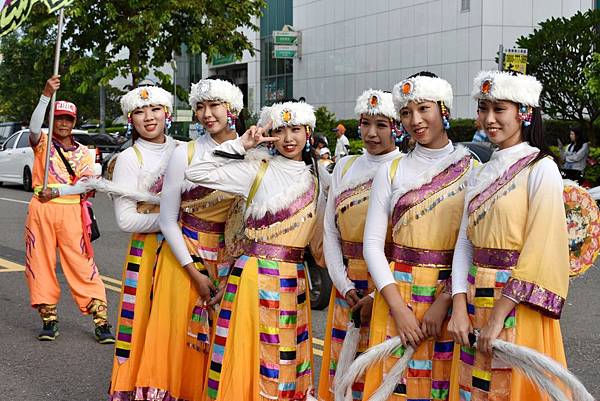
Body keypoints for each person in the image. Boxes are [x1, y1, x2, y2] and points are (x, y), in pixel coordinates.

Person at [447, 71, 570, 401]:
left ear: (523, 113)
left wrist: (499, 315)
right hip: (475, 299)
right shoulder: (481, 171)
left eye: (499, 109)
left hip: (516, 305)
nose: (489, 119)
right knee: (474, 389)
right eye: (483, 109)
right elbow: (465, 243)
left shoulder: (540, 168)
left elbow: (541, 248)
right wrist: (460, 305)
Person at [185, 100, 319, 401]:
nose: (288, 138)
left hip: (293, 280)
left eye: (295, 130)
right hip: (251, 279)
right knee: (248, 357)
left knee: (285, 362)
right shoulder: (255, 170)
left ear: (308, 132)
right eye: (279, 130)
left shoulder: (319, 178)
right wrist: (241, 145)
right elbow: (197, 172)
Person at [362, 72, 474, 400]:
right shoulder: (391, 170)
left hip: (450, 300)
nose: (416, 120)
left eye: (424, 109)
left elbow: (471, 245)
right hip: (396, 294)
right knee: (393, 386)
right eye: (407, 113)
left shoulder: (471, 169)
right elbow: (372, 246)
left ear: (444, 110)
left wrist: (447, 300)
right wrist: (398, 309)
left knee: (442, 386)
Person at [135, 77, 243, 401]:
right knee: (174, 342)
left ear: (232, 109)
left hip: (229, 262)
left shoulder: (253, 155)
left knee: (222, 346)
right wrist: (194, 271)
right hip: (183, 258)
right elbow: (168, 220)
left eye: (215, 106)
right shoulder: (186, 153)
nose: (207, 114)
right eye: (200, 107)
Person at [318, 89, 401, 401]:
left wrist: (373, 293)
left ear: (397, 127)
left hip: (386, 284)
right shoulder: (345, 166)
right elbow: (330, 230)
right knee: (343, 370)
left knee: (379, 370)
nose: (371, 133)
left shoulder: (402, 169)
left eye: (381, 125)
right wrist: (342, 283)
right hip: (346, 287)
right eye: (365, 123)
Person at [25, 75, 114, 343]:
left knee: (81, 263)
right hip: (41, 210)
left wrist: (61, 191)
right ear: (52, 120)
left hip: (71, 212)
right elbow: (32, 127)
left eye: (67, 119)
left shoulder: (85, 153)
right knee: (39, 262)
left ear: (74, 123)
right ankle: (48, 319)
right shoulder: (42, 142)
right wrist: (45, 94)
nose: (62, 123)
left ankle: (101, 320)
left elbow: (87, 186)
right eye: (58, 118)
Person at [105, 85, 178, 400]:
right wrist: (173, 221)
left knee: (180, 325)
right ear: (130, 118)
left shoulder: (184, 149)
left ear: (168, 113)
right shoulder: (128, 158)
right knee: (148, 326)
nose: (148, 117)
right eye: (139, 111)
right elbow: (126, 220)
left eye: (155, 109)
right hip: (148, 254)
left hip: (183, 251)